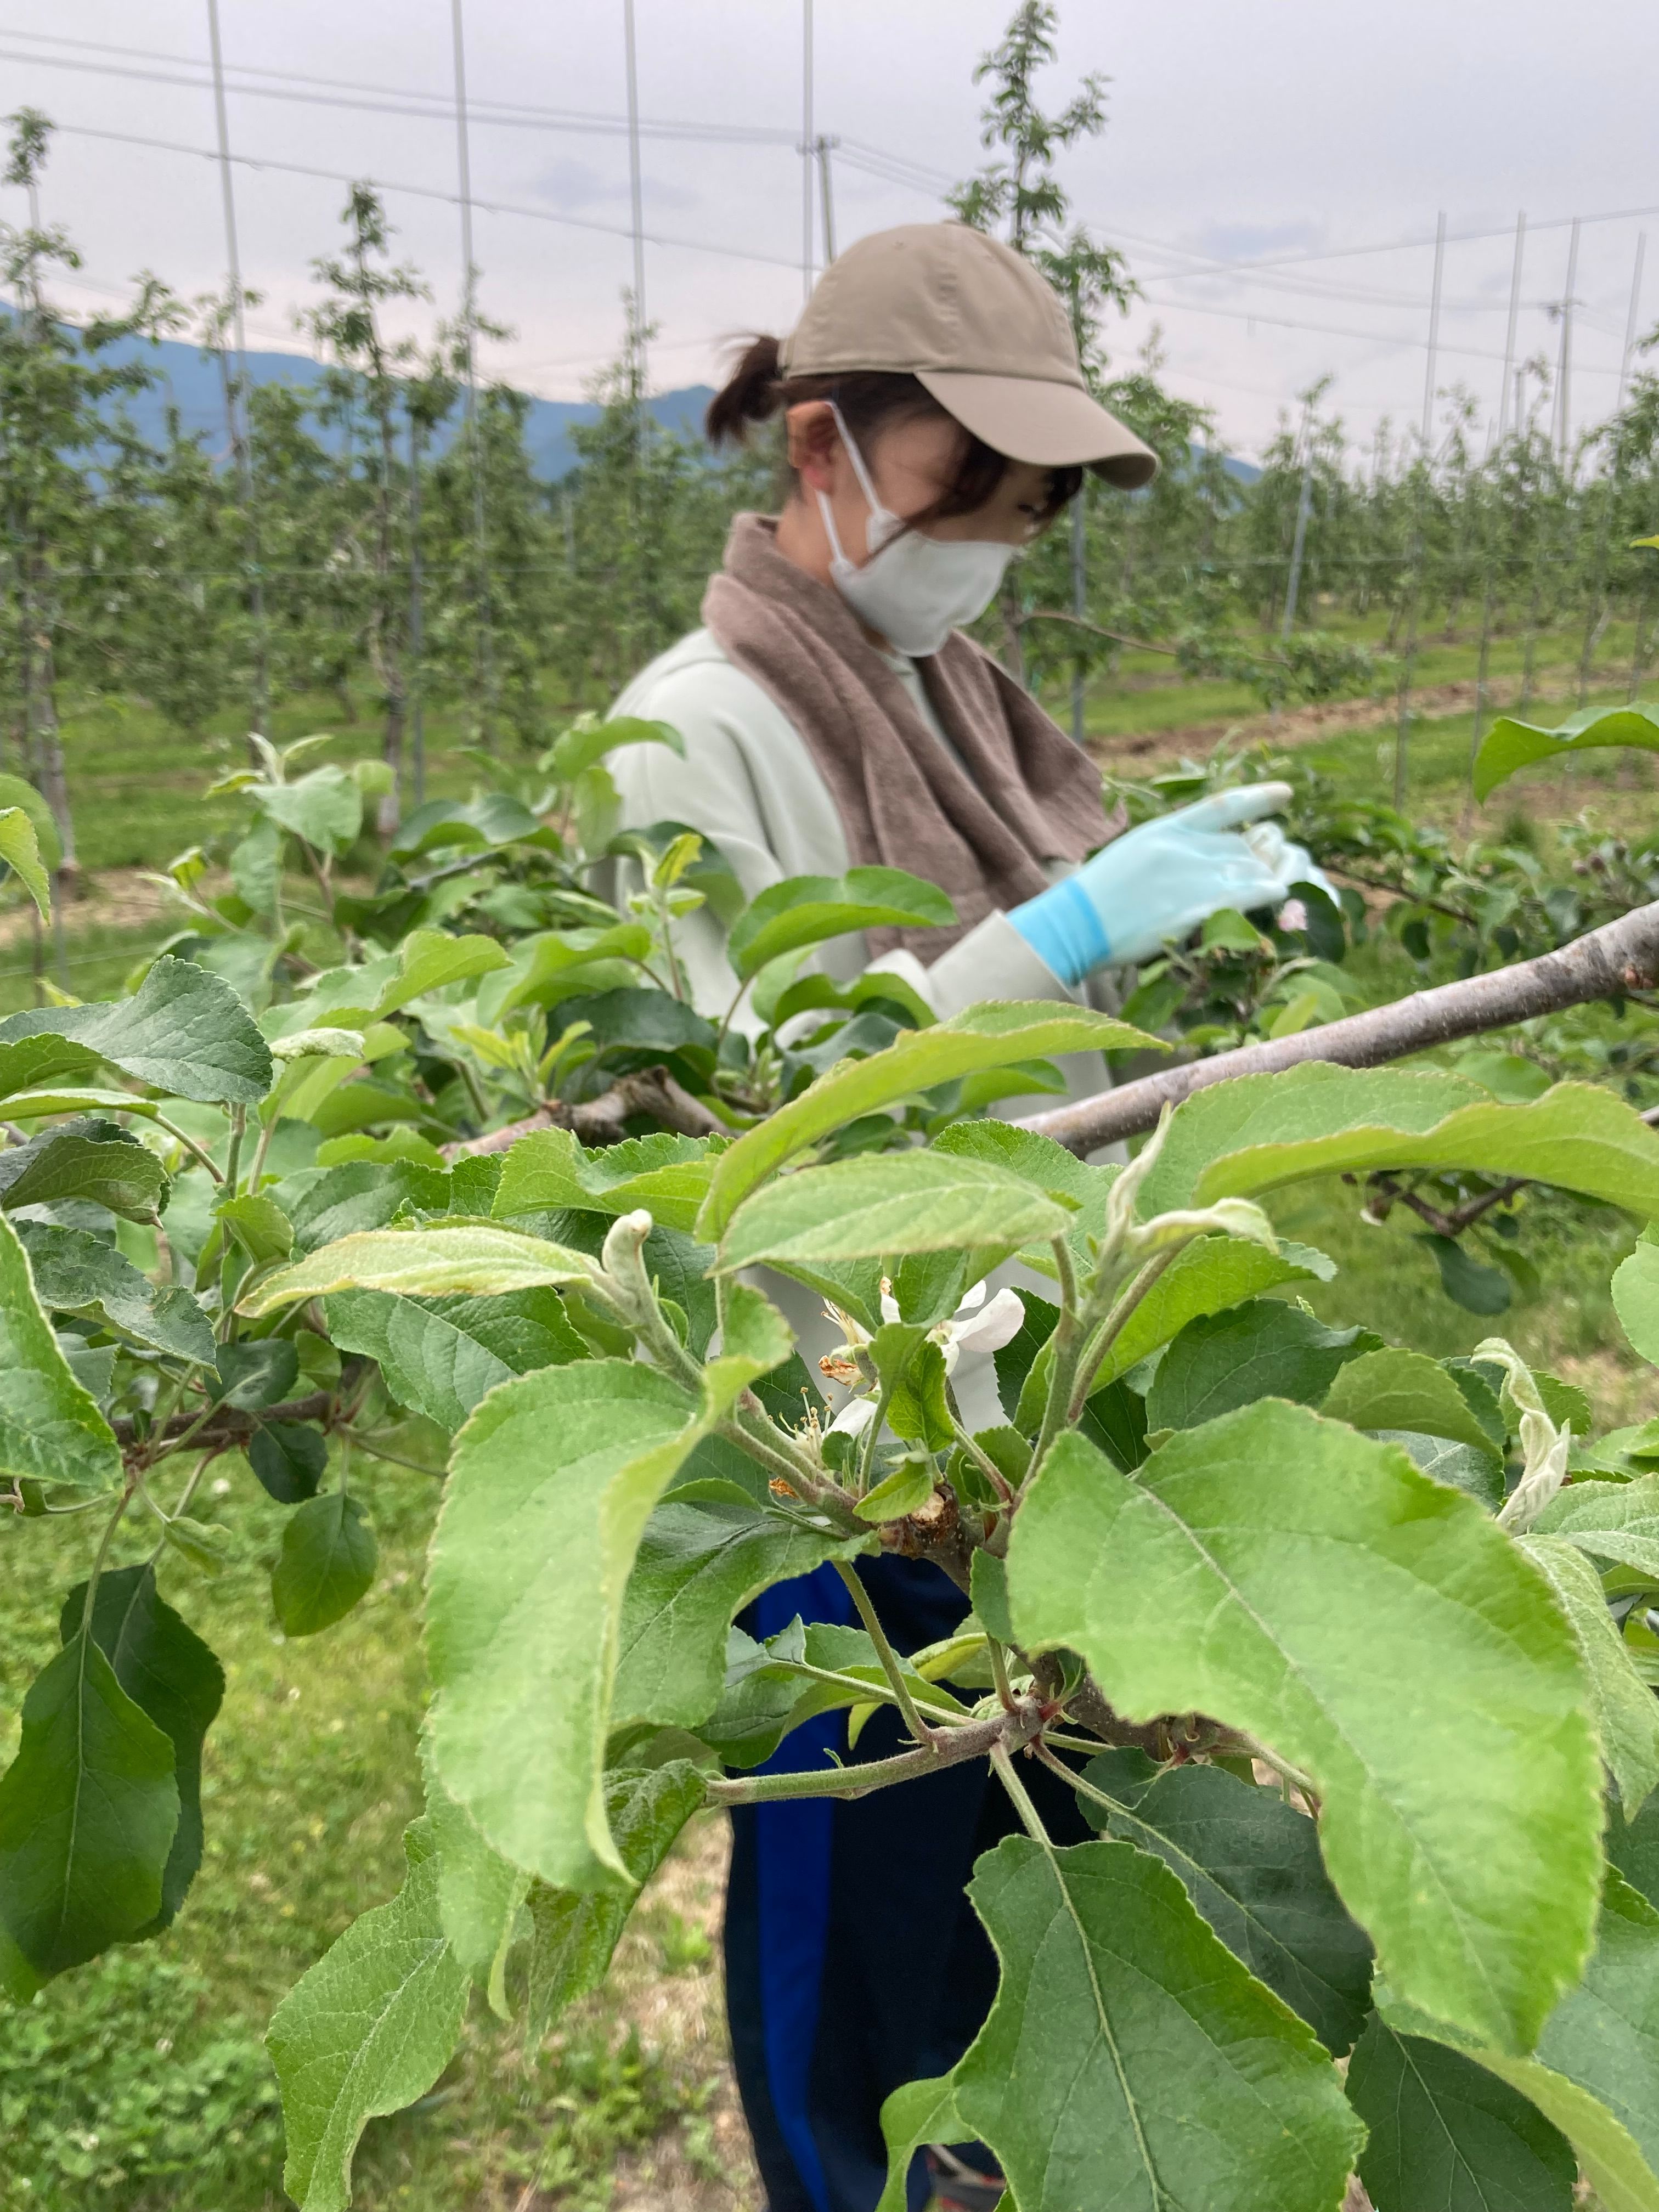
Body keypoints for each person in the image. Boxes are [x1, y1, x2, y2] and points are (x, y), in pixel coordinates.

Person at [602, 222, 1319, 2212]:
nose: (985, 554)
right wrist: (1061, 937)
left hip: (1020, 1407)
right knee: (851, 1903)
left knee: (1021, 1865)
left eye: (1019, 522)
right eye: (959, 502)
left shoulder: (938, 679)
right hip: (845, 1429)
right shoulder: (704, 721)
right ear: (820, 446)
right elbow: (738, 1103)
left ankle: (991, 2159)